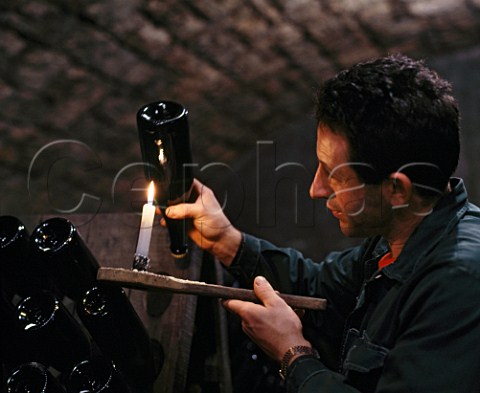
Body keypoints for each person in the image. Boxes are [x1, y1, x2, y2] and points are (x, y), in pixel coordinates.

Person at [164, 54, 480, 392]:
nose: (316, 189)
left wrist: (293, 355)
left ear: (396, 189)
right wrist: (228, 241)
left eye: (333, 174)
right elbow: (319, 288)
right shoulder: (401, 235)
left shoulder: (458, 283)